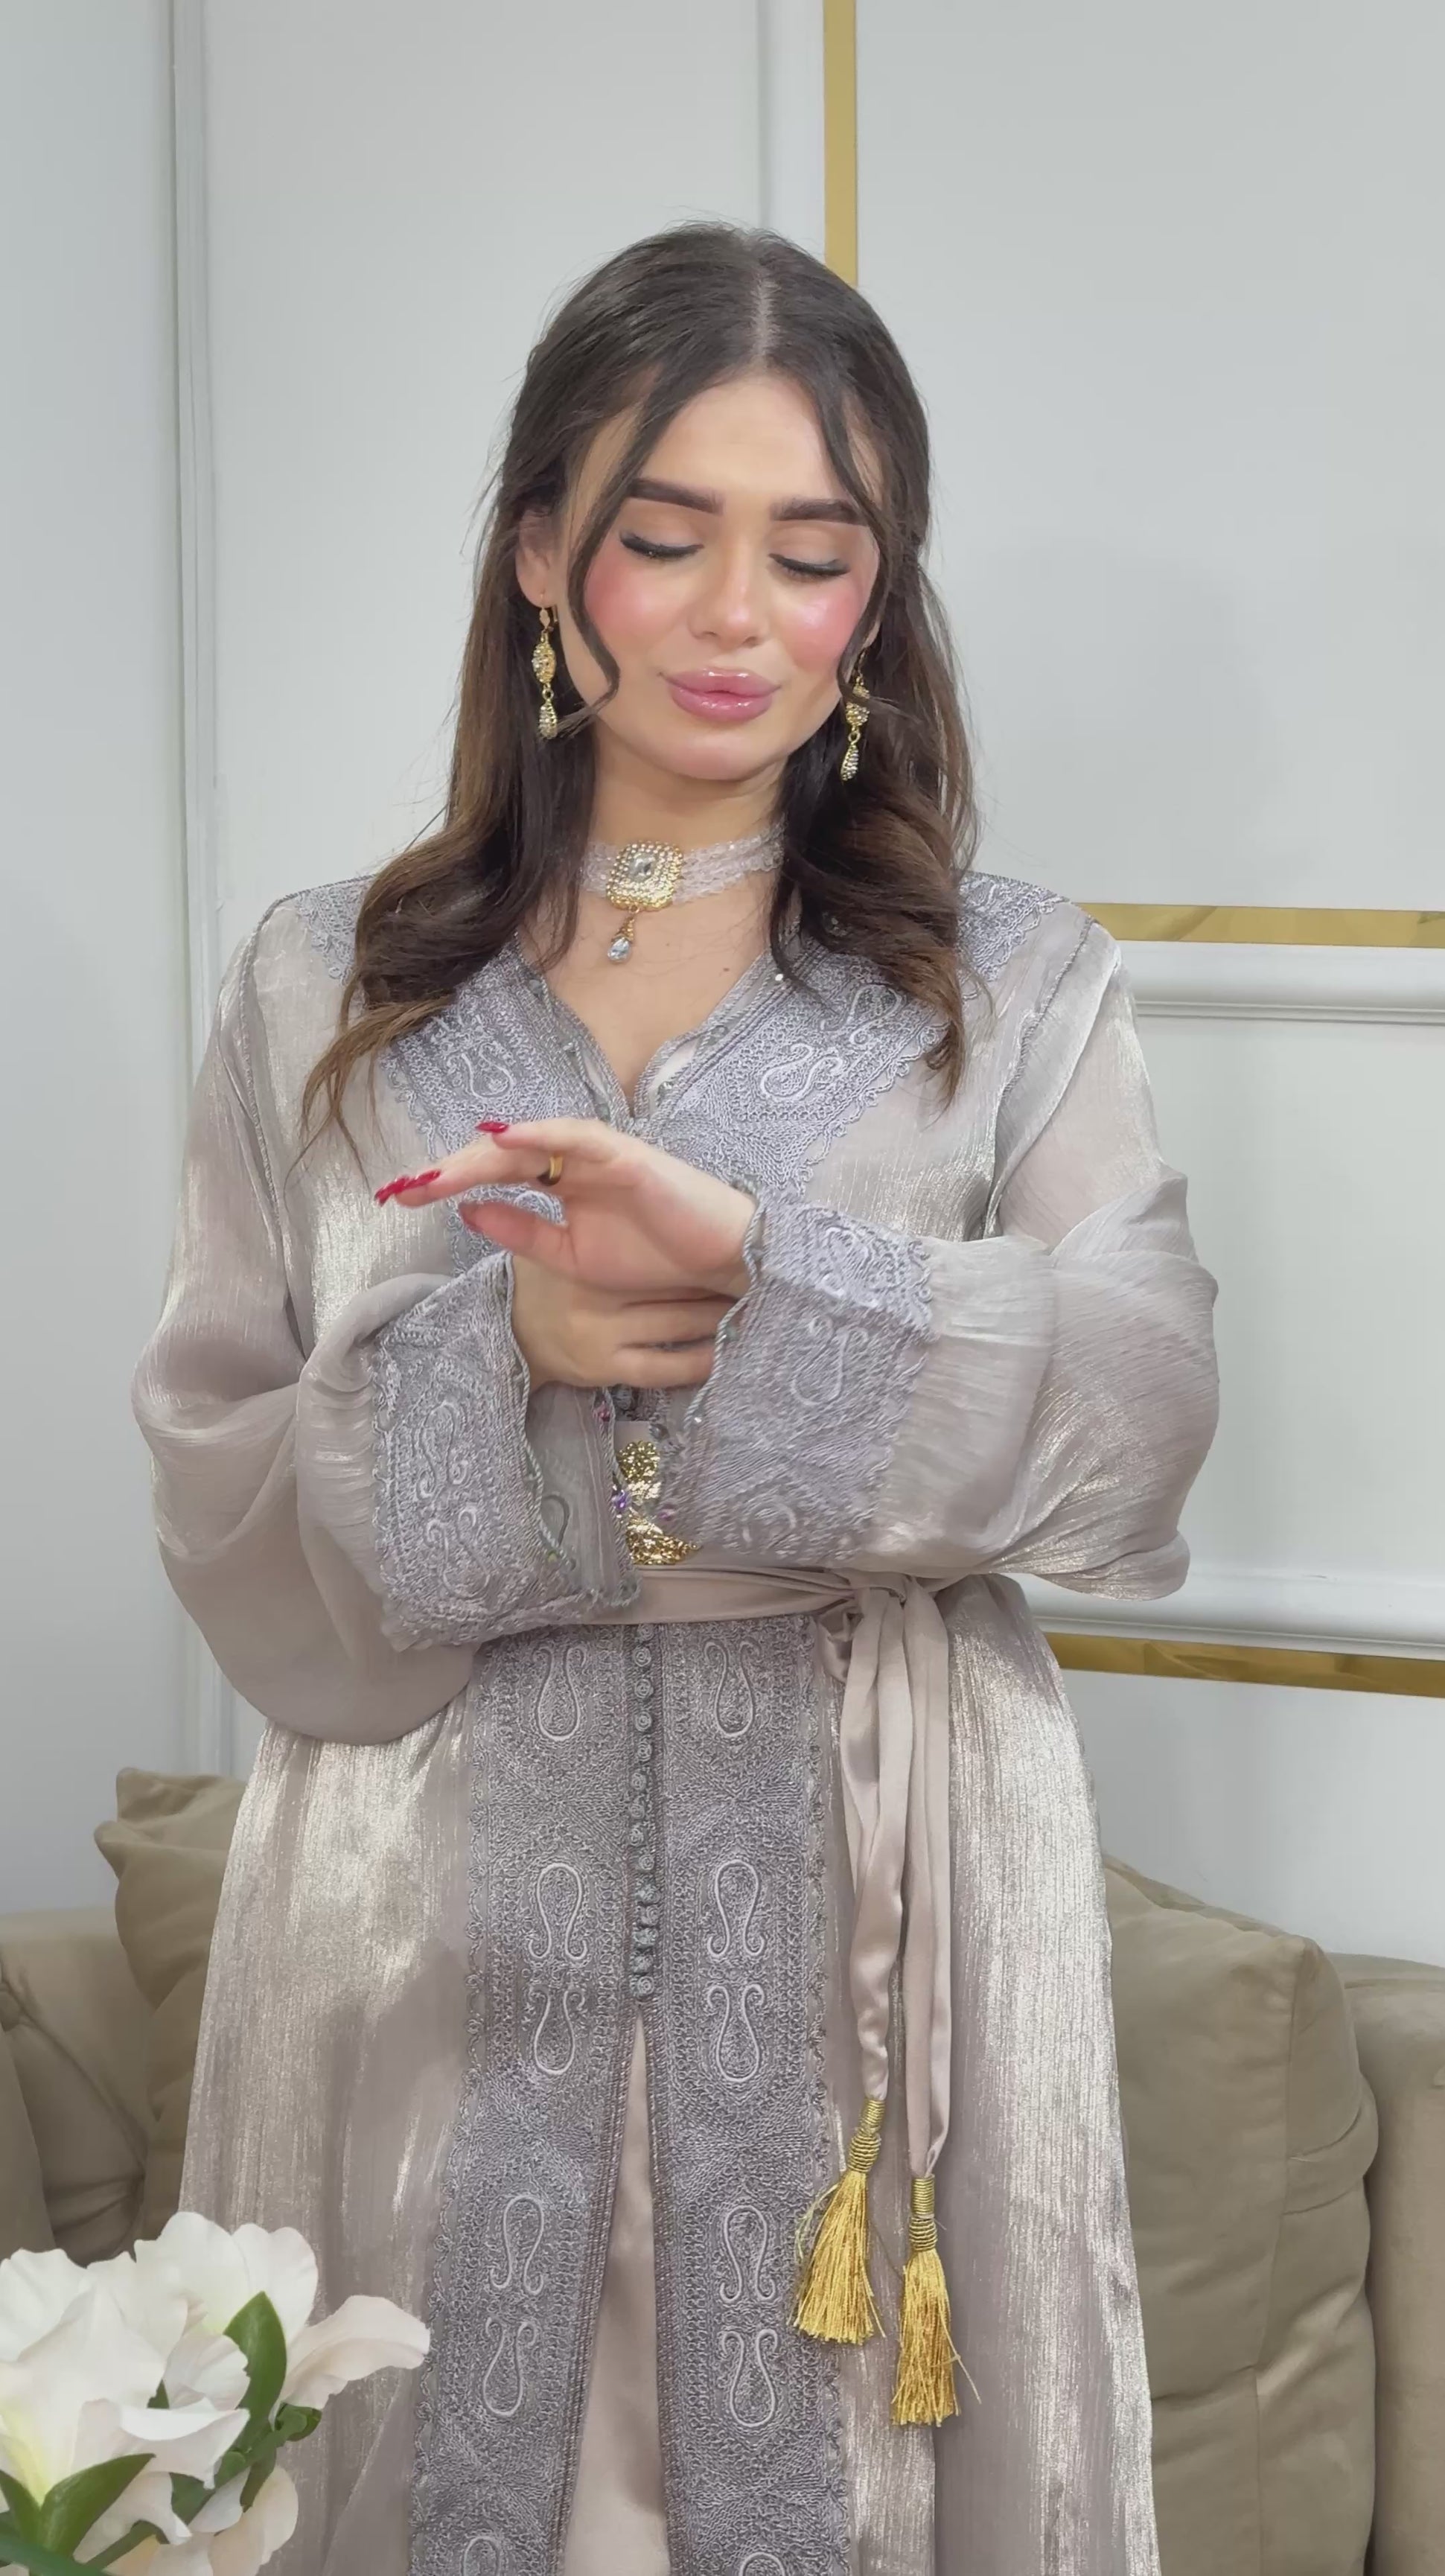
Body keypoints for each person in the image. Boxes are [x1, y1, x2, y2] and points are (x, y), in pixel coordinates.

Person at [133, 223, 1218, 2576]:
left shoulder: (1003, 986)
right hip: (423, 1901)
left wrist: (765, 1277)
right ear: (544, 551)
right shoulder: (328, 983)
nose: (740, 617)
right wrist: (495, 1352)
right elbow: (220, 1472)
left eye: (812, 553)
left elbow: (1135, 1419)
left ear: (876, 594)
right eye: (666, 535)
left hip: (872, 1884)